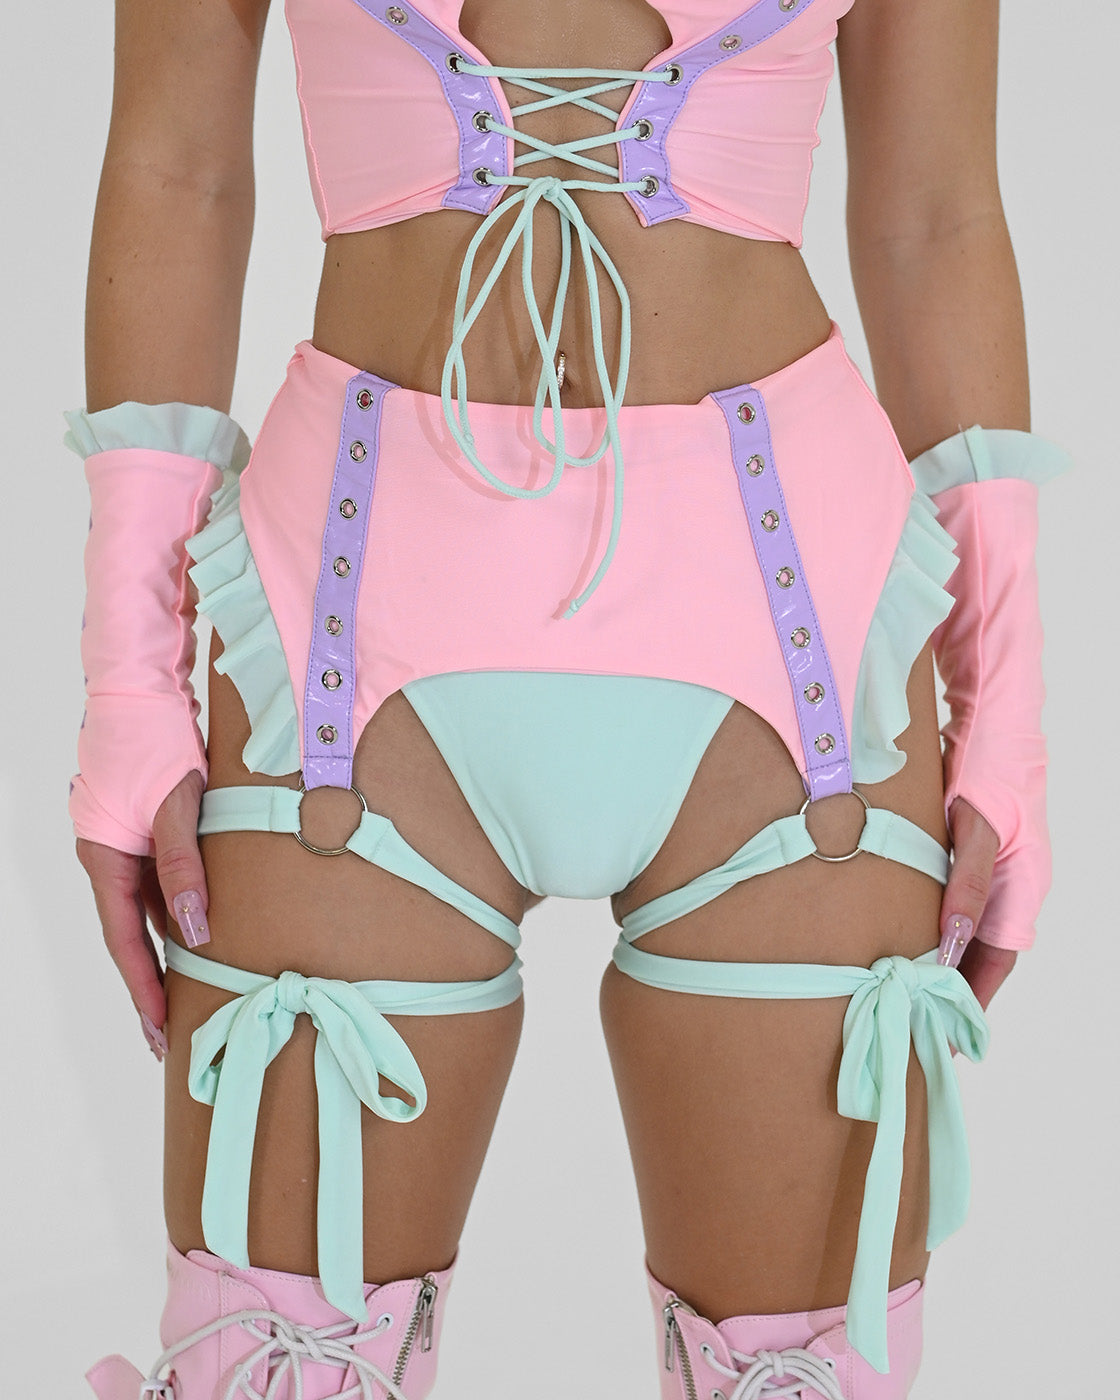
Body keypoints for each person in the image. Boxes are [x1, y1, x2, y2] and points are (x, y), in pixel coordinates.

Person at [68, 0, 1071, 1396]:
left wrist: (1004, 700)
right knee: (269, 1369)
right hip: (345, 630)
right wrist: (130, 678)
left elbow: (936, 218)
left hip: (800, 649)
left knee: (805, 1374)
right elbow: (177, 163)